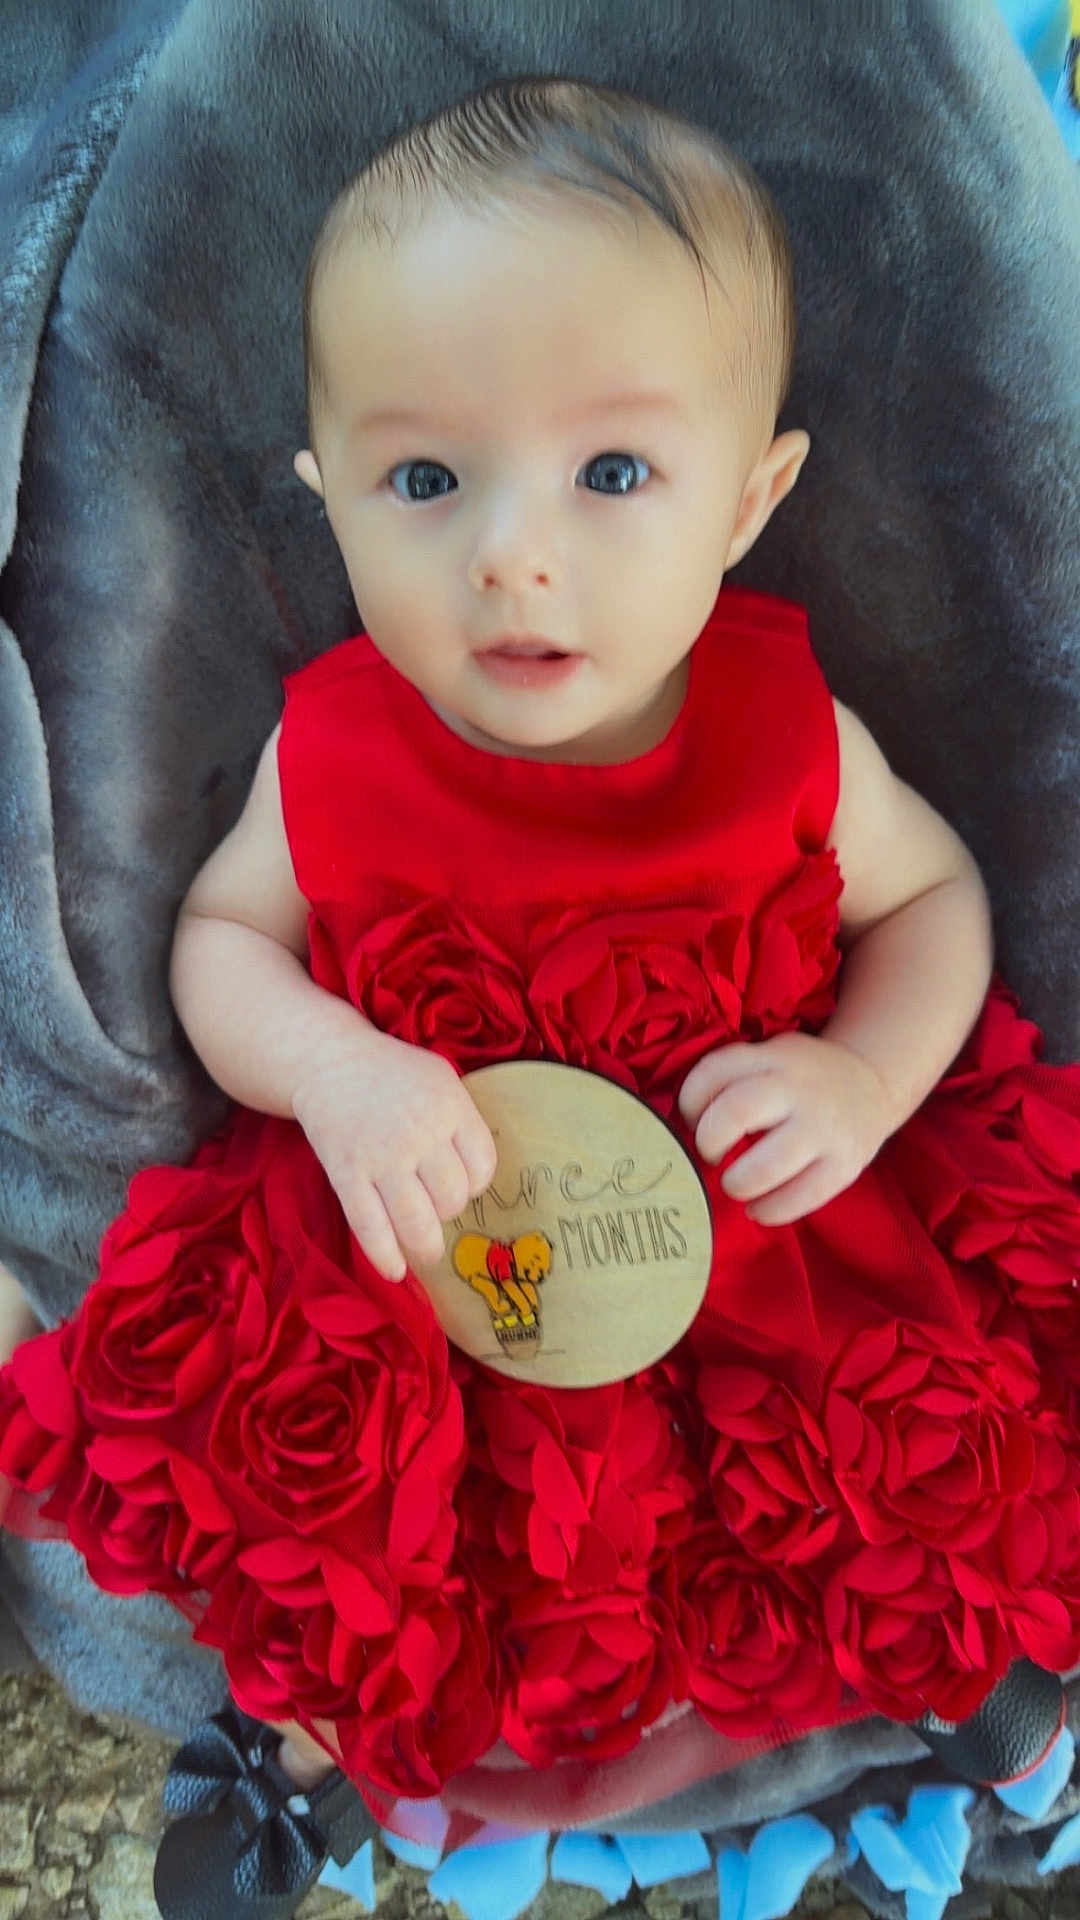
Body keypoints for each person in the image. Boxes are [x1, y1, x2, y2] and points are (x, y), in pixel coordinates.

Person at [2, 75, 1079, 1920]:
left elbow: (940, 902)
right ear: (326, 495)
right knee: (347, 1511)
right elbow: (220, 948)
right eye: (425, 480)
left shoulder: (782, 725)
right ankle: (323, 1751)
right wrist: (334, 1070)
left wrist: (861, 1080)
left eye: (613, 474)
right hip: (430, 1226)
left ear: (754, 498)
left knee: (879, 1471)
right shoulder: (334, 742)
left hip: (755, 1218)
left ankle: (958, 1681)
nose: (512, 548)